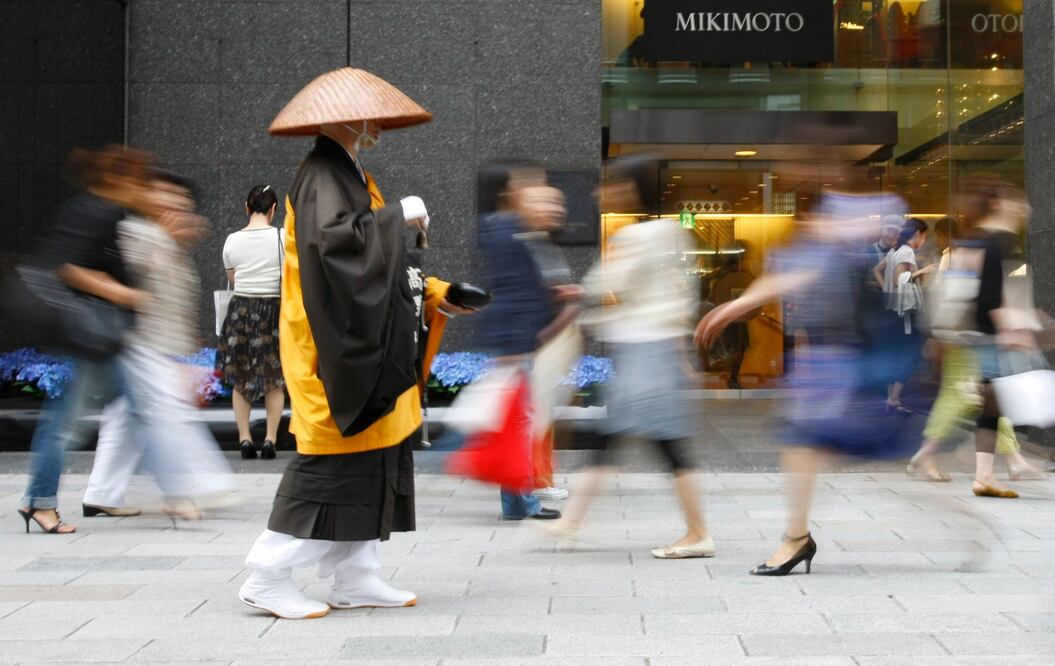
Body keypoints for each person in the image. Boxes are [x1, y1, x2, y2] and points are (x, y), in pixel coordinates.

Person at [239, 68, 474, 620]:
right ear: (344, 120)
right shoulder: (322, 173)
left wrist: (435, 293)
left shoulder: (345, 172)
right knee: (333, 469)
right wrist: (399, 215)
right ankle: (266, 576)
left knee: (375, 463)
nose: (377, 128)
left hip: (357, 344)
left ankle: (356, 577)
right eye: (369, 119)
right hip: (332, 351)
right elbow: (341, 250)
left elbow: (375, 262)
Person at [696, 176, 917, 577]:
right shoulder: (814, 242)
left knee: (812, 446)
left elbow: (797, 276)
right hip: (821, 361)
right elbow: (785, 273)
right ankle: (796, 537)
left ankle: (797, 539)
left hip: (841, 360)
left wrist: (734, 307)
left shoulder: (840, 222)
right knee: (804, 447)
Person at [544, 164, 712, 557]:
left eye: (610, 185)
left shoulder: (637, 235)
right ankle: (570, 523)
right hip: (654, 348)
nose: (602, 193)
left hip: (645, 351)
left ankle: (699, 533)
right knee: (617, 437)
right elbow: (675, 295)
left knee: (661, 443)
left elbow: (608, 282)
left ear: (631, 188)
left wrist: (580, 292)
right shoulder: (673, 232)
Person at [17, 146, 156, 533]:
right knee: (67, 423)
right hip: (89, 336)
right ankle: (41, 503)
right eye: (138, 182)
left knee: (130, 409)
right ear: (120, 180)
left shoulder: (99, 210)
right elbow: (71, 268)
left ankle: (44, 500)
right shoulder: (98, 211)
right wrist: (125, 294)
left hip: (96, 336)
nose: (142, 189)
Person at [82, 169, 234, 521]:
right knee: (167, 412)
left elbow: (174, 295)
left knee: (123, 420)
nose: (176, 203)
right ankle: (195, 486)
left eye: (182, 199)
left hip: (153, 342)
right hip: (136, 341)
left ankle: (101, 493)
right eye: (166, 194)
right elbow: (125, 277)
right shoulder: (135, 232)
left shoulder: (164, 236)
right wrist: (166, 241)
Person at [476, 166, 566, 521]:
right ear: (515, 195)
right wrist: (518, 346)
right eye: (536, 194)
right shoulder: (507, 233)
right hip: (515, 343)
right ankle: (521, 503)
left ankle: (517, 503)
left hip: (519, 342)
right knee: (519, 424)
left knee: (517, 423)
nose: (546, 202)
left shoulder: (515, 231)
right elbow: (512, 295)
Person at [216, 184, 286, 460]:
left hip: (241, 310)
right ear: (274, 209)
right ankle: (270, 439)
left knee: (240, 378)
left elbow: (233, 278)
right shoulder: (282, 238)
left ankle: (244, 438)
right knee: (274, 378)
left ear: (246, 207)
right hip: (273, 310)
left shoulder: (232, 240)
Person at [872, 218, 936, 414]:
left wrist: (887, 291)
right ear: (917, 233)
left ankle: (892, 398)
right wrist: (925, 270)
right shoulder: (906, 251)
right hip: (904, 313)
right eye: (924, 235)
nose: (924, 240)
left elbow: (877, 270)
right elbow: (899, 279)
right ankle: (894, 398)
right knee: (910, 354)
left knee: (895, 353)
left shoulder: (894, 250)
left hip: (891, 309)